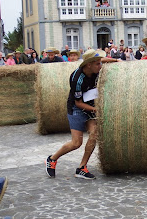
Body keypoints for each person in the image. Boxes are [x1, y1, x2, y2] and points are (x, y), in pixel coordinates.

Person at [45, 49, 120, 180]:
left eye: (99, 63)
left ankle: (82, 168)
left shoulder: (95, 68)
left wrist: (116, 60)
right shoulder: (77, 79)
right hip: (77, 108)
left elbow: (102, 60)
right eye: (97, 64)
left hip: (91, 106)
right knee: (76, 143)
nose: (100, 66)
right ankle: (52, 159)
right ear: (88, 65)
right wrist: (97, 110)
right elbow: (78, 103)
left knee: (94, 133)